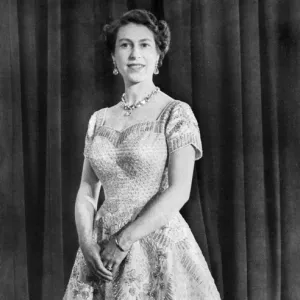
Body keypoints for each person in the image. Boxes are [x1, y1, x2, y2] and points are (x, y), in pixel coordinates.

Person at [63, 9, 221, 300]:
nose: (134, 53)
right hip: (100, 248)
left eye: (144, 44)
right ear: (114, 58)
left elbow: (179, 191)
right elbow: (87, 189)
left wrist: (122, 242)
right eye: (125, 45)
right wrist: (86, 243)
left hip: (154, 242)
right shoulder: (98, 119)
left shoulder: (176, 113)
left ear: (158, 57)